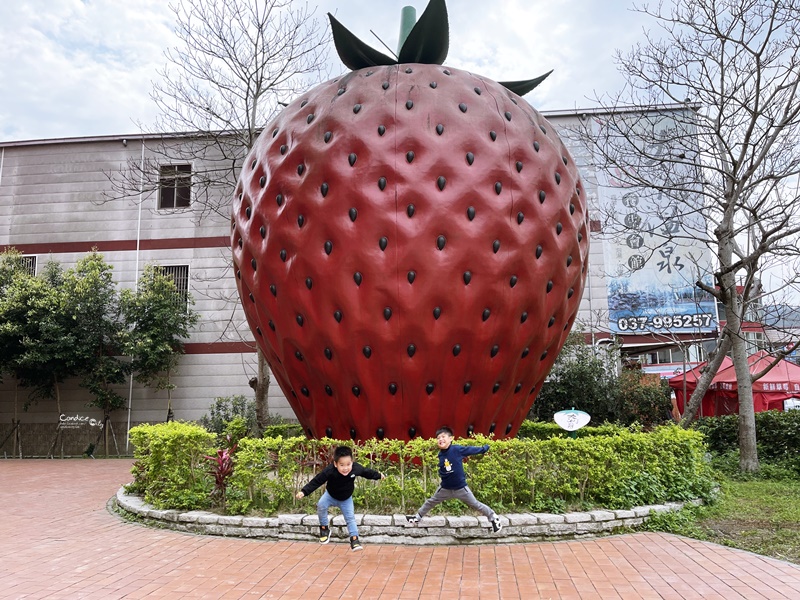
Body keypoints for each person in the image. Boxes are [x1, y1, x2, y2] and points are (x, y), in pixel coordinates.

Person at [406, 426, 502, 532]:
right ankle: (417, 518)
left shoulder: (456, 449)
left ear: (451, 438)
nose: (440, 439)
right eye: (438, 438)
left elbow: (470, 450)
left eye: (443, 437)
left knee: (476, 504)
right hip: (445, 489)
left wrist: (483, 449)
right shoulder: (440, 455)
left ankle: (494, 518)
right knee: (431, 502)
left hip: (461, 488)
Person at [296, 445, 384, 551]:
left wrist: (379, 476)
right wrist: (304, 491)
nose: (345, 468)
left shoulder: (356, 468)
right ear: (335, 464)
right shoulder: (329, 471)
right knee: (321, 505)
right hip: (330, 495)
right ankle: (324, 529)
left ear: (352, 462)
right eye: (342, 465)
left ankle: (354, 539)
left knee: (350, 518)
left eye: (348, 464)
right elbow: (317, 480)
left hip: (346, 499)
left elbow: (367, 472)